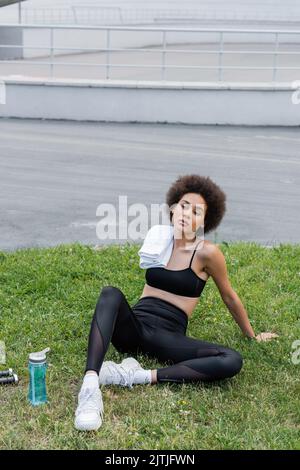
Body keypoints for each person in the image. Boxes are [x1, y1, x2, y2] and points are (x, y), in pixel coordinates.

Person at [74, 174, 278, 431]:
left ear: (206, 220)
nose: (186, 214)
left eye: (196, 211)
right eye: (183, 205)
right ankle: (91, 385)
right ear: (173, 207)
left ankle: (137, 376)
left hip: (168, 337)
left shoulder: (207, 253)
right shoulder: (159, 238)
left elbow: (229, 296)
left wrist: (252, 335)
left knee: (231, 359)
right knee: (110, 293)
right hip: (133, 330)